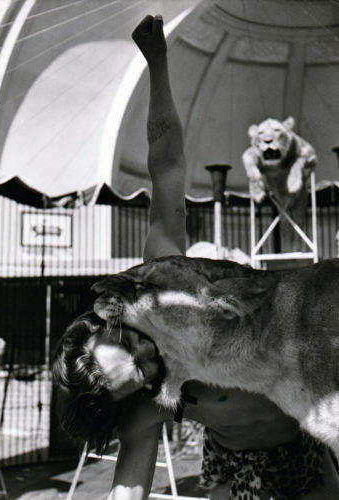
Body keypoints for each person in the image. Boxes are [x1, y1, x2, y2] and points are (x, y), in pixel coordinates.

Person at [52, 15, 339, 500]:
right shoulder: (148, 404)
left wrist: (158, 64)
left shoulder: (164, 292)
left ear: (108, 323)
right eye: (141, 373)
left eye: (133, 346)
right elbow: (128, 486)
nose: (149, 355)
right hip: (230, 465)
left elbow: (166, 166)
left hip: (302, 450)